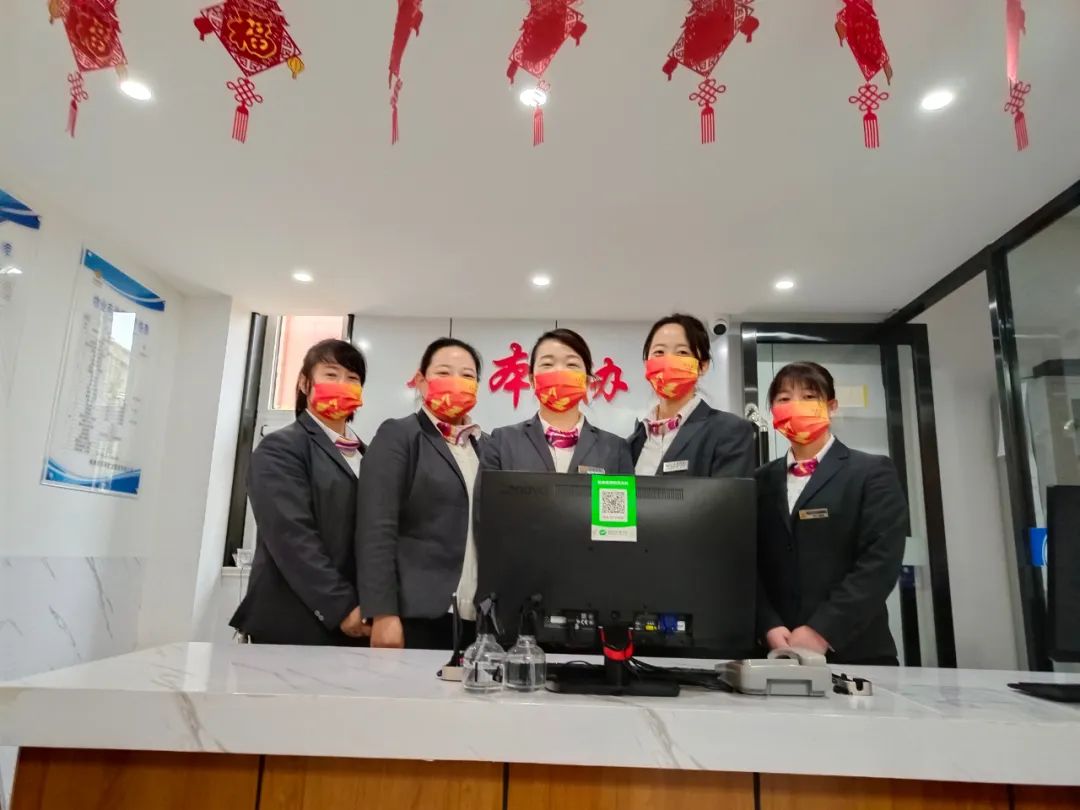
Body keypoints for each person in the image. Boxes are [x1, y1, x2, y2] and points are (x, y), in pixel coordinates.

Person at [756, 361, 908, 665]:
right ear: (773, 411)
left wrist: (822, 631)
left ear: (832, 406)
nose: (796, 405)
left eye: (809, 397)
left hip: (855, 652)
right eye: (784, 399)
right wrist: (767, 624)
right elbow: (747, 562)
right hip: (775, 651)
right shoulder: (760, 480)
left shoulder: (871, 472)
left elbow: (880, 561)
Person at [231, 338, 369, 646]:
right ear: (305, 383)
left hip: (361, 621)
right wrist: (341, 606)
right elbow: (291, 535)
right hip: (297, 620)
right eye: (331, 375)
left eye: (352, 378)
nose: (342, 384)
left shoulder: (368, 455)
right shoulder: (281, 448)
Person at [357, 337, 485, 650]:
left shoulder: (486, 446)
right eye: (443, 372)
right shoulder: (399, 435)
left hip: (478, 619)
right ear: (421, 381)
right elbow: (376, 528)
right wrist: (383, 613)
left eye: (467, 375)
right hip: (418, 615)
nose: (456, 381)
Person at [481, 328, 633, 475]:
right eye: (547, 364)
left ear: (586, 381)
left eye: (572, 364)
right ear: (532, 380)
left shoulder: (616, 449)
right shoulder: (502, 441)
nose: (559, 371)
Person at [629, 314, 755, 477]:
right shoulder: (632, 442)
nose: (669, 361)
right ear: (647, 364)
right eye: (659, 352)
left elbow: (729, 493)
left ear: (702, 366)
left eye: (682, 352)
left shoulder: (730, 431)